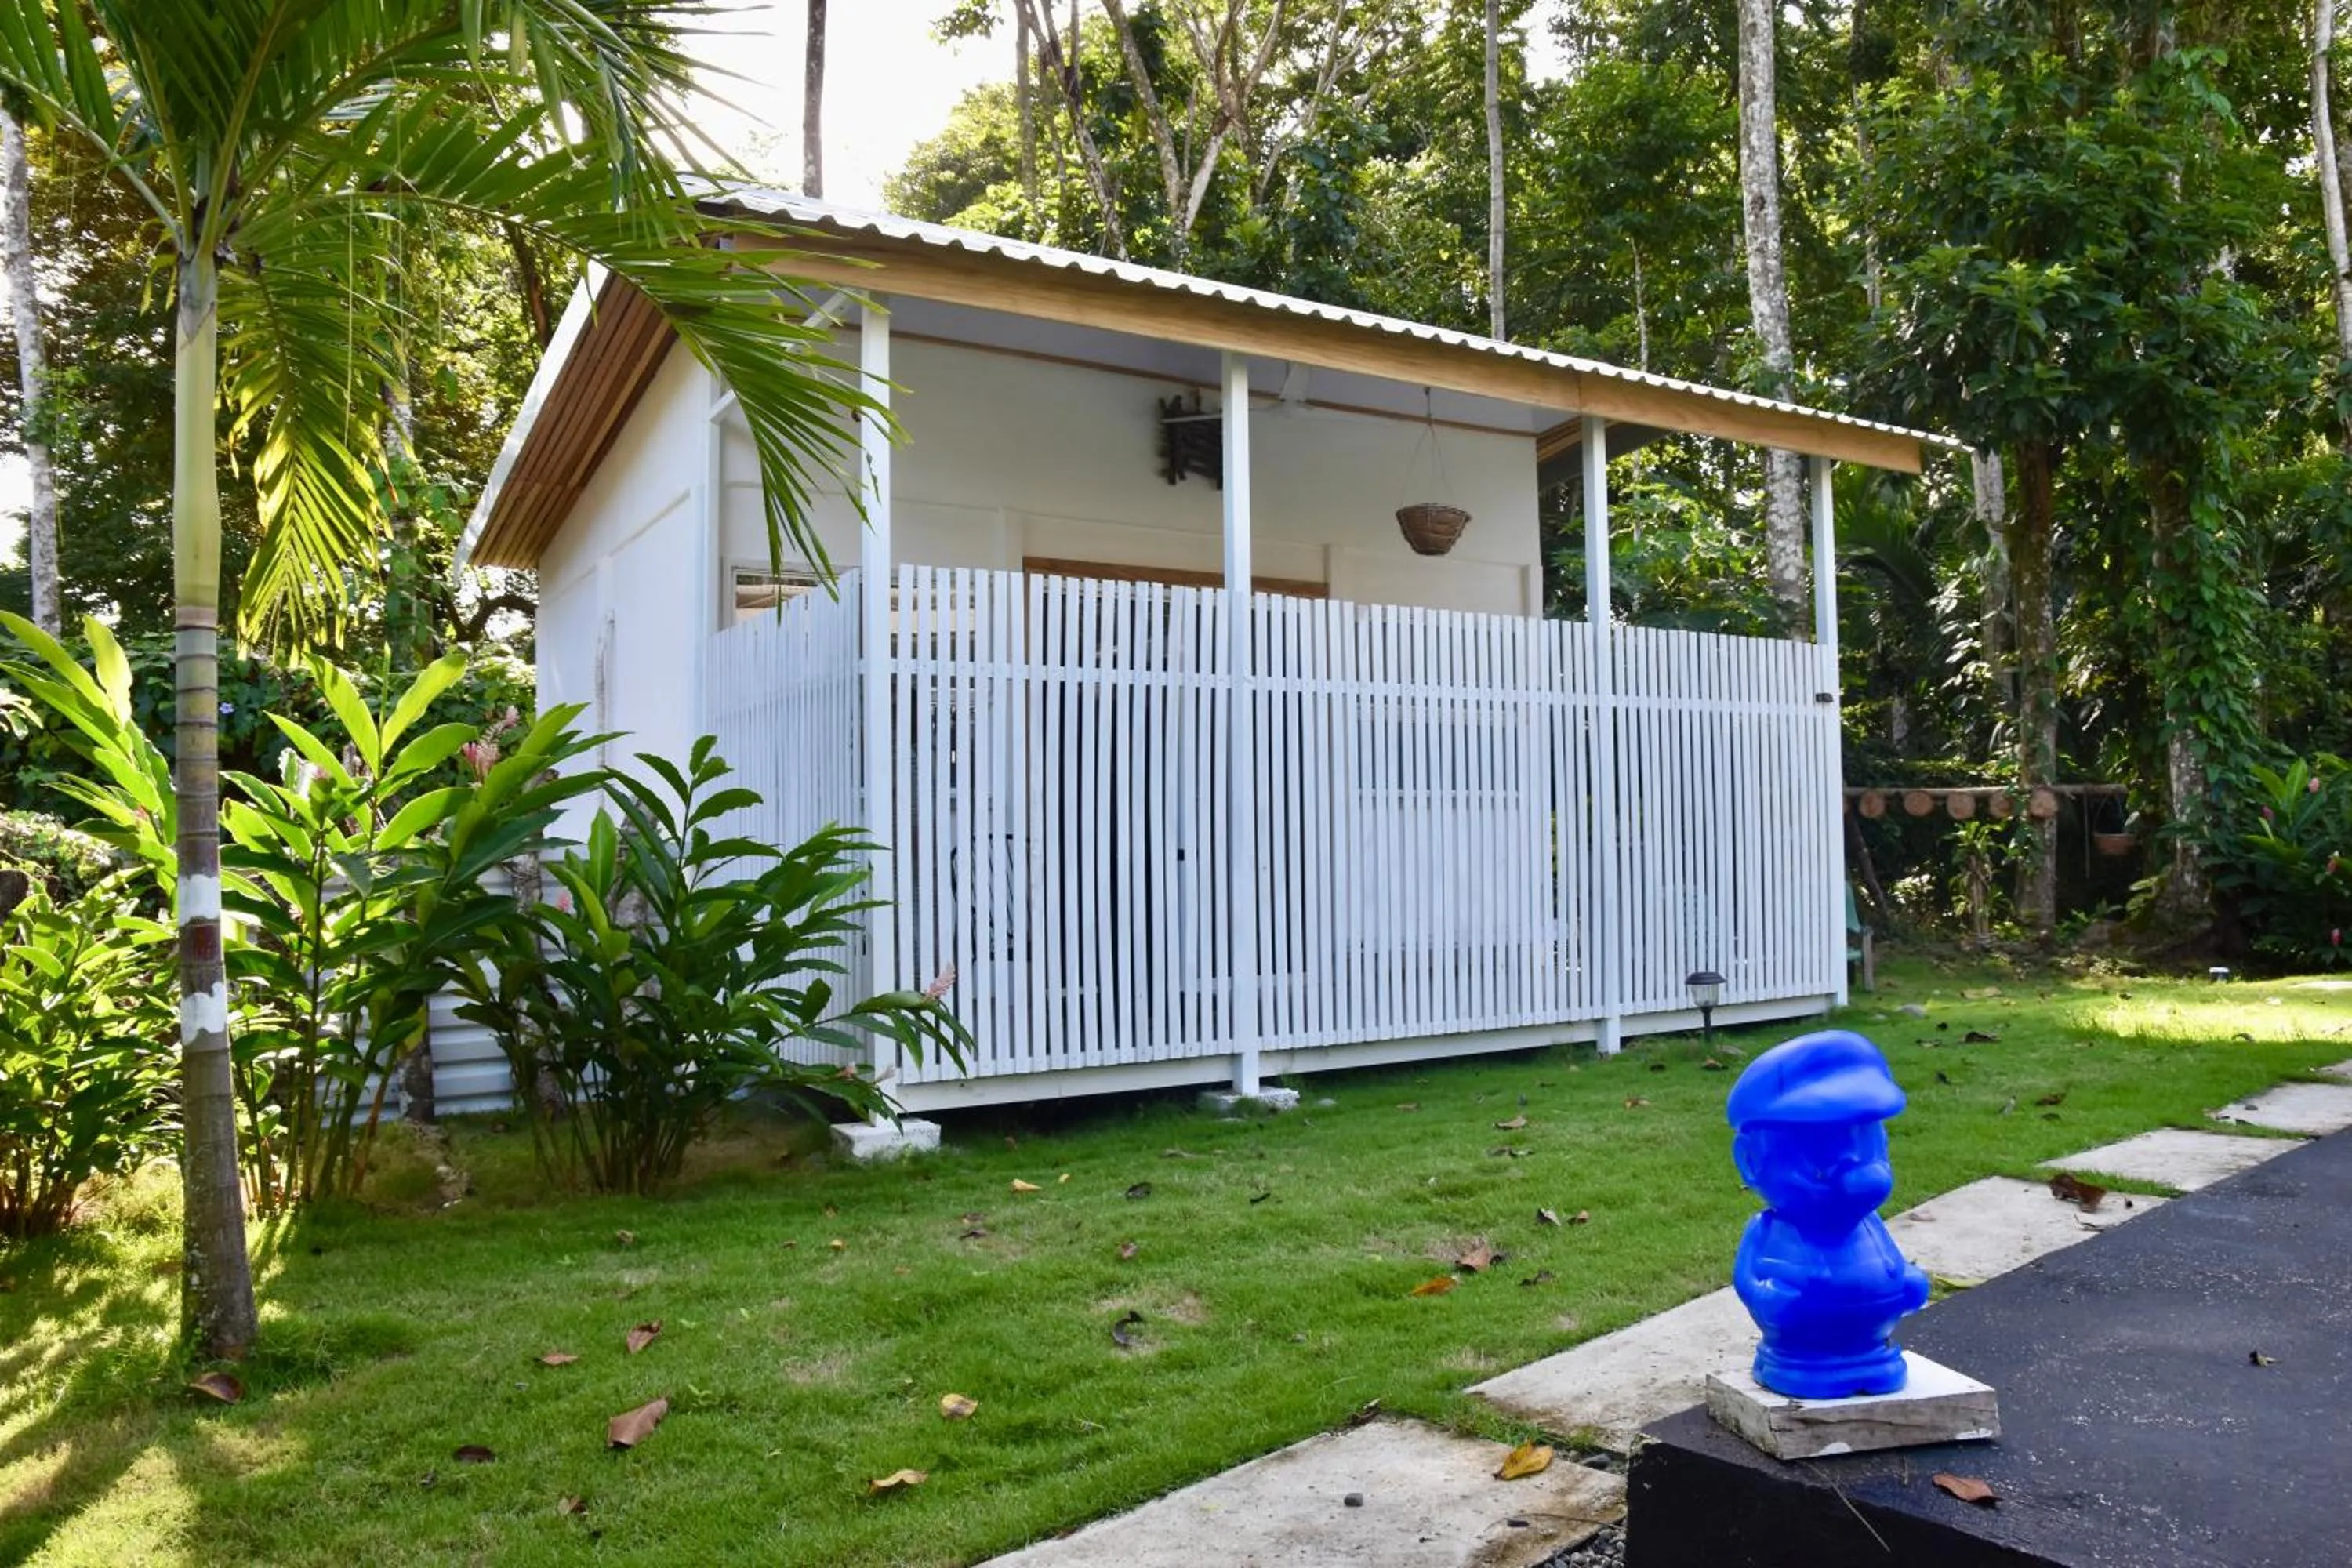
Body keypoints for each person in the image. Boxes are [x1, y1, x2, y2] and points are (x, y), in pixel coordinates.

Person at [1726, 1029, 1931, 1399]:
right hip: (1798, 1360)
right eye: (1821, 1157)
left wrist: (1905, 1281)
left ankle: (1864, 1358)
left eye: (1873, 1151)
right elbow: (1747, 1279)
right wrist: (1768, 1300)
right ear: (1750, 1161)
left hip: (1876, 1353)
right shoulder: (1768, 1230)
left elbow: (1891, 1263)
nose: (1861, 1174)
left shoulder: (1869, 1225)